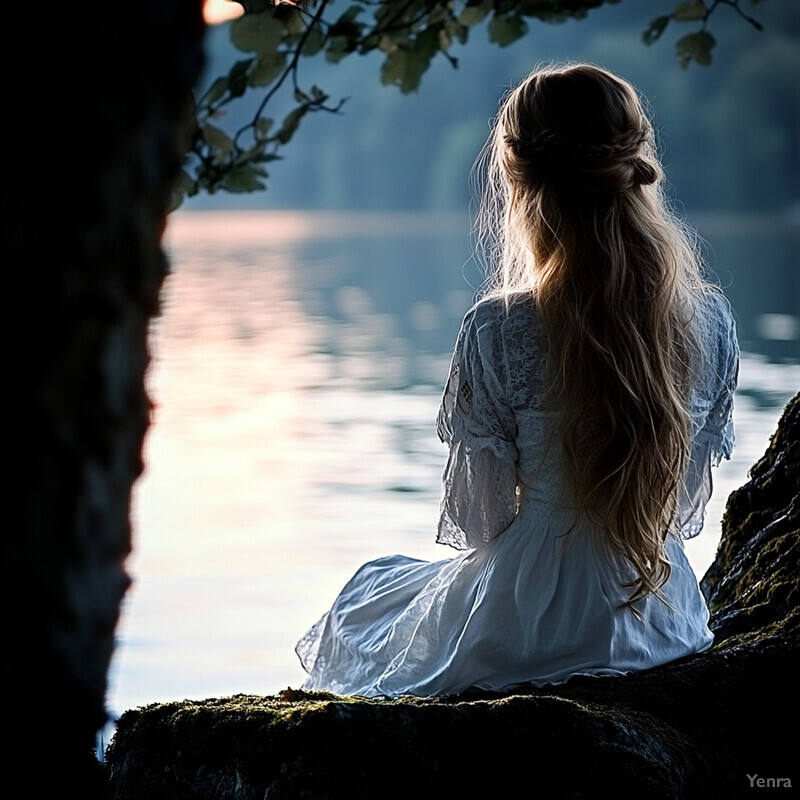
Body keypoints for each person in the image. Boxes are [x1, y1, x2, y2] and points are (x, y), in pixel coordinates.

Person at [295, 63, 739, 697]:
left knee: (365, 598)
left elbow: (480, 524)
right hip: (662, 616)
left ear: (517, 181)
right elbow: (686, 500)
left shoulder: (497, 330)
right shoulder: (710, 322)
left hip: (531, 627)